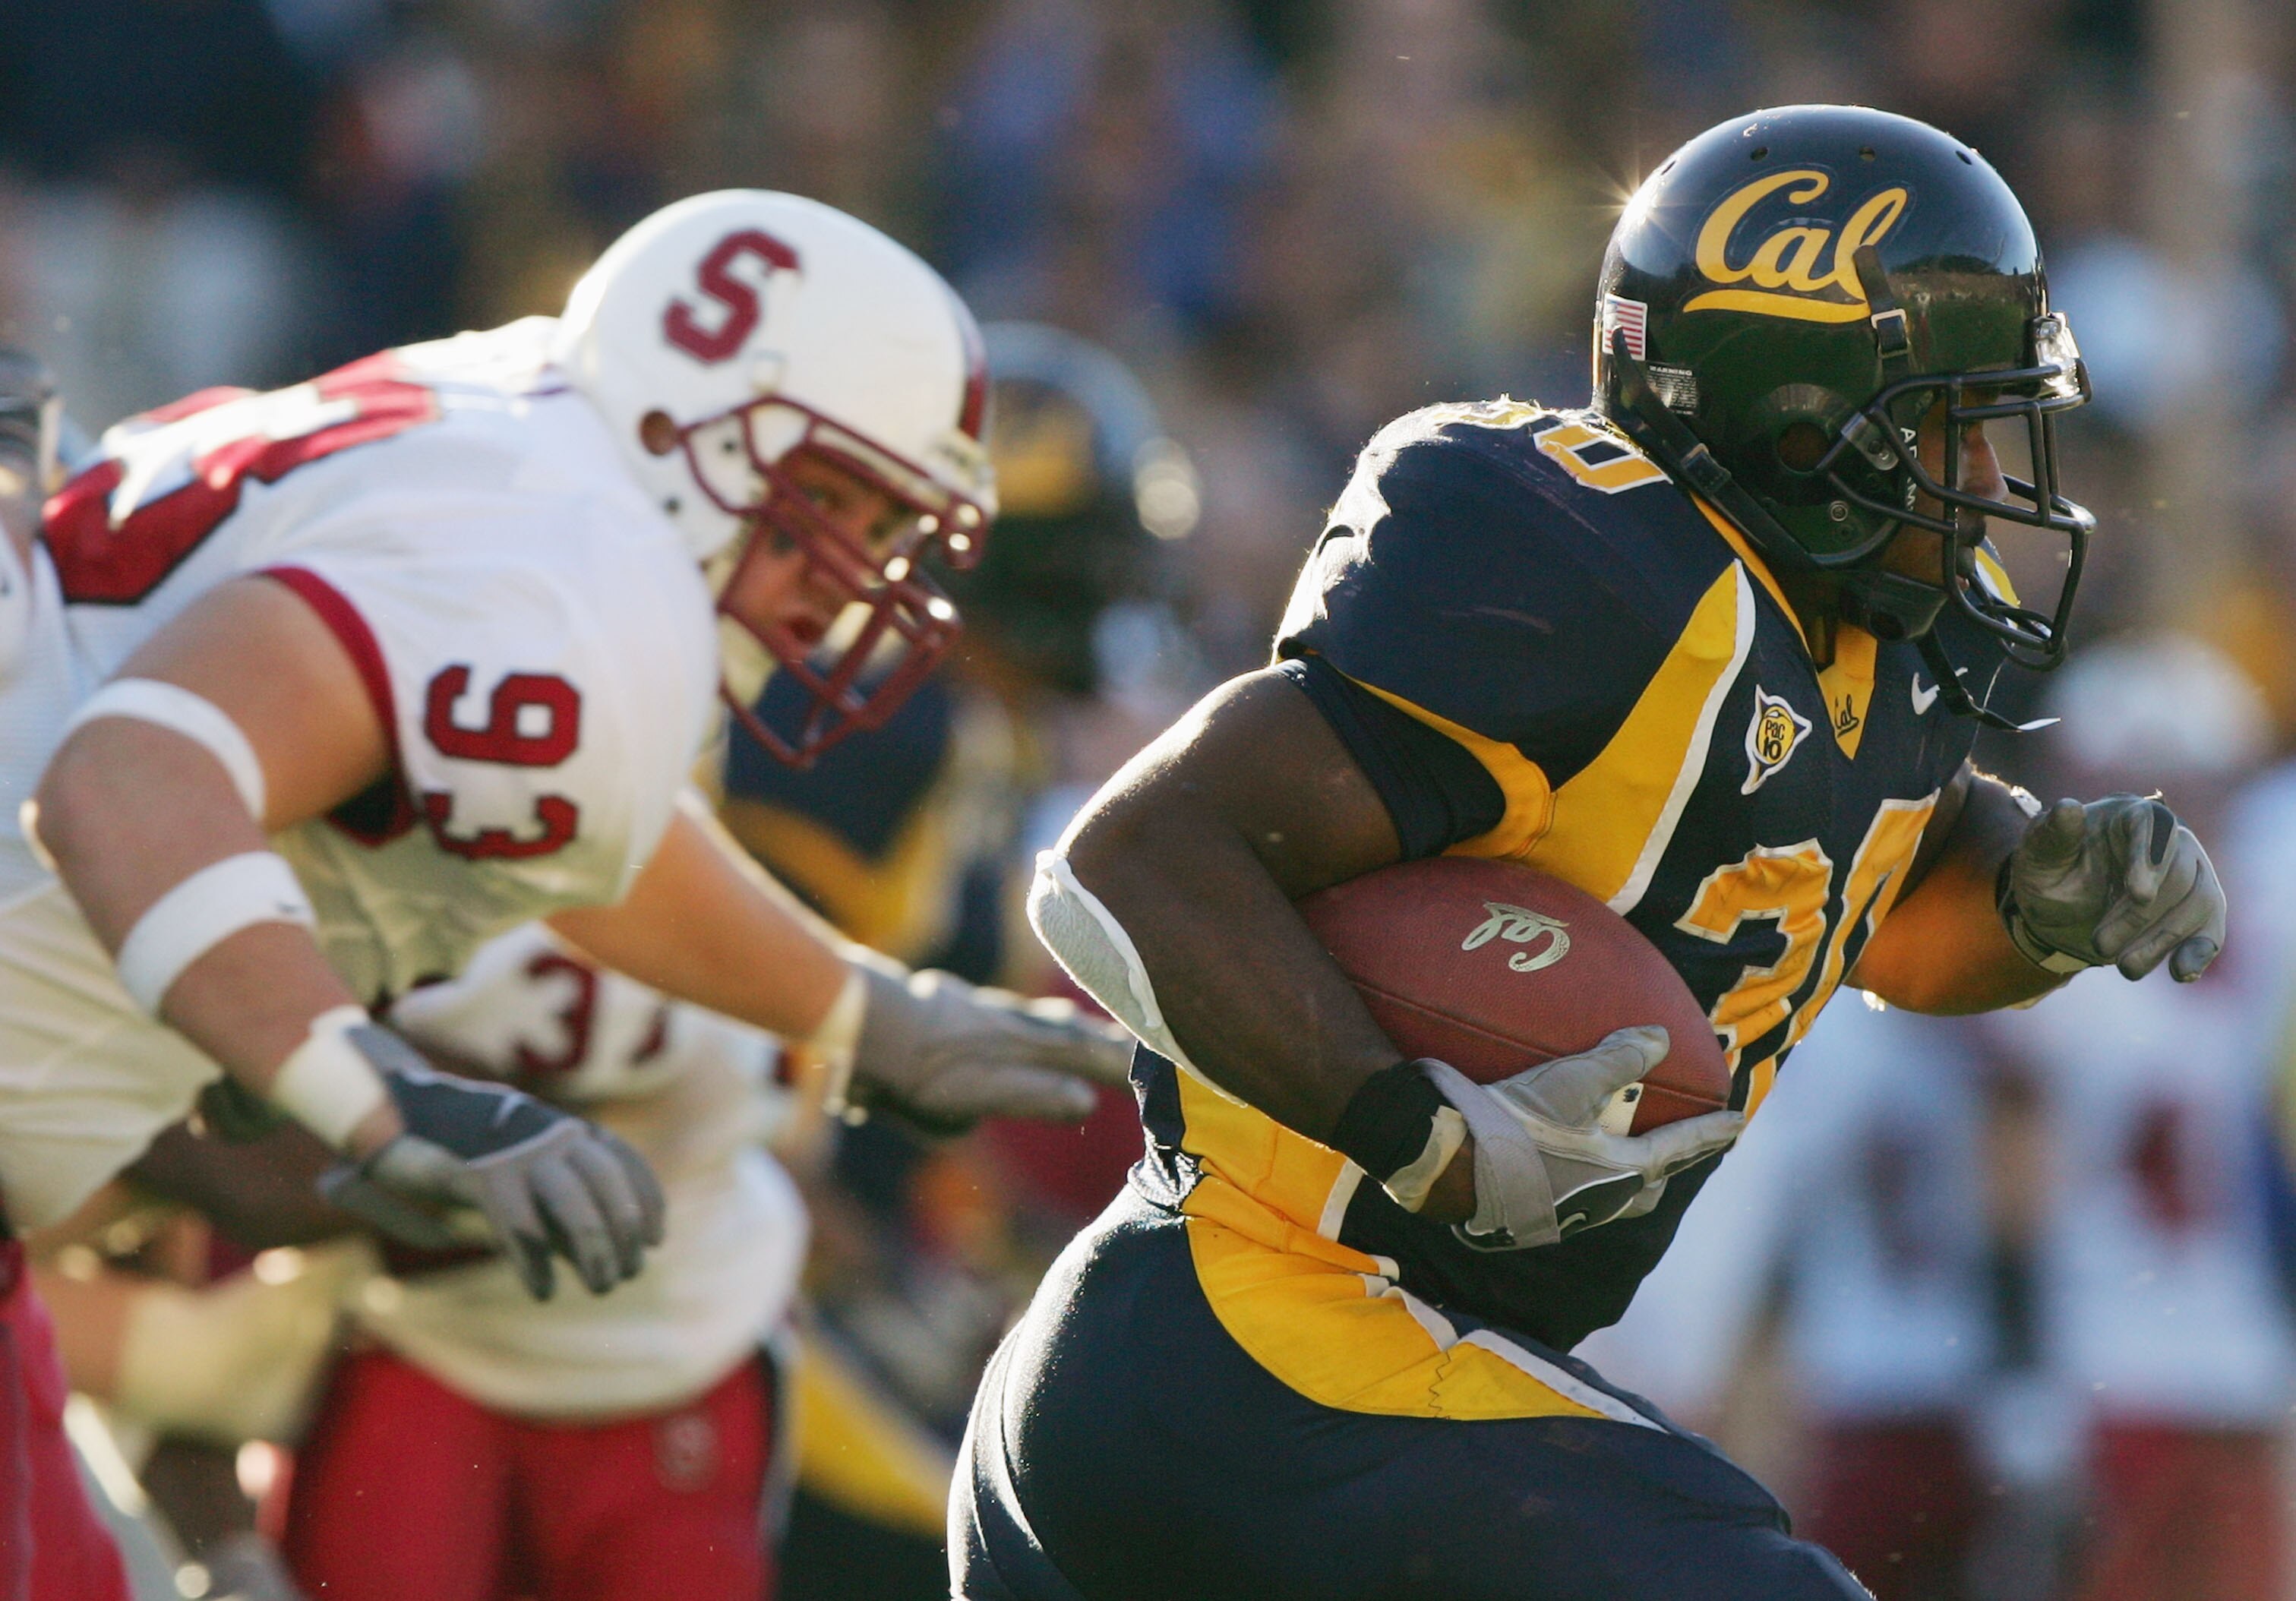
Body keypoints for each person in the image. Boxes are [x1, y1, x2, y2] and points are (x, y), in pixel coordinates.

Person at [962, 106, 2229, 1600]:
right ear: (1799, 410)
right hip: (1251, 1335)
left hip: (1345, 1383)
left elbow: (1886, 911)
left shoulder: (1879, 657)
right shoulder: (1595, 579)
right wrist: (1413, 1130)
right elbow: (1132, 860)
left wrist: (2039, 891)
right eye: (1949, 418)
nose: (1987, 471)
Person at [0, 188, 1127, 1598]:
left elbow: (557, 822)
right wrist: (382, 1097)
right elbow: (124, 787)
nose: (851, 582)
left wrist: (856, 1009)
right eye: (837, 502)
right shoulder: (578, 582)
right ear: (703, 432)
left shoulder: (541, 431)